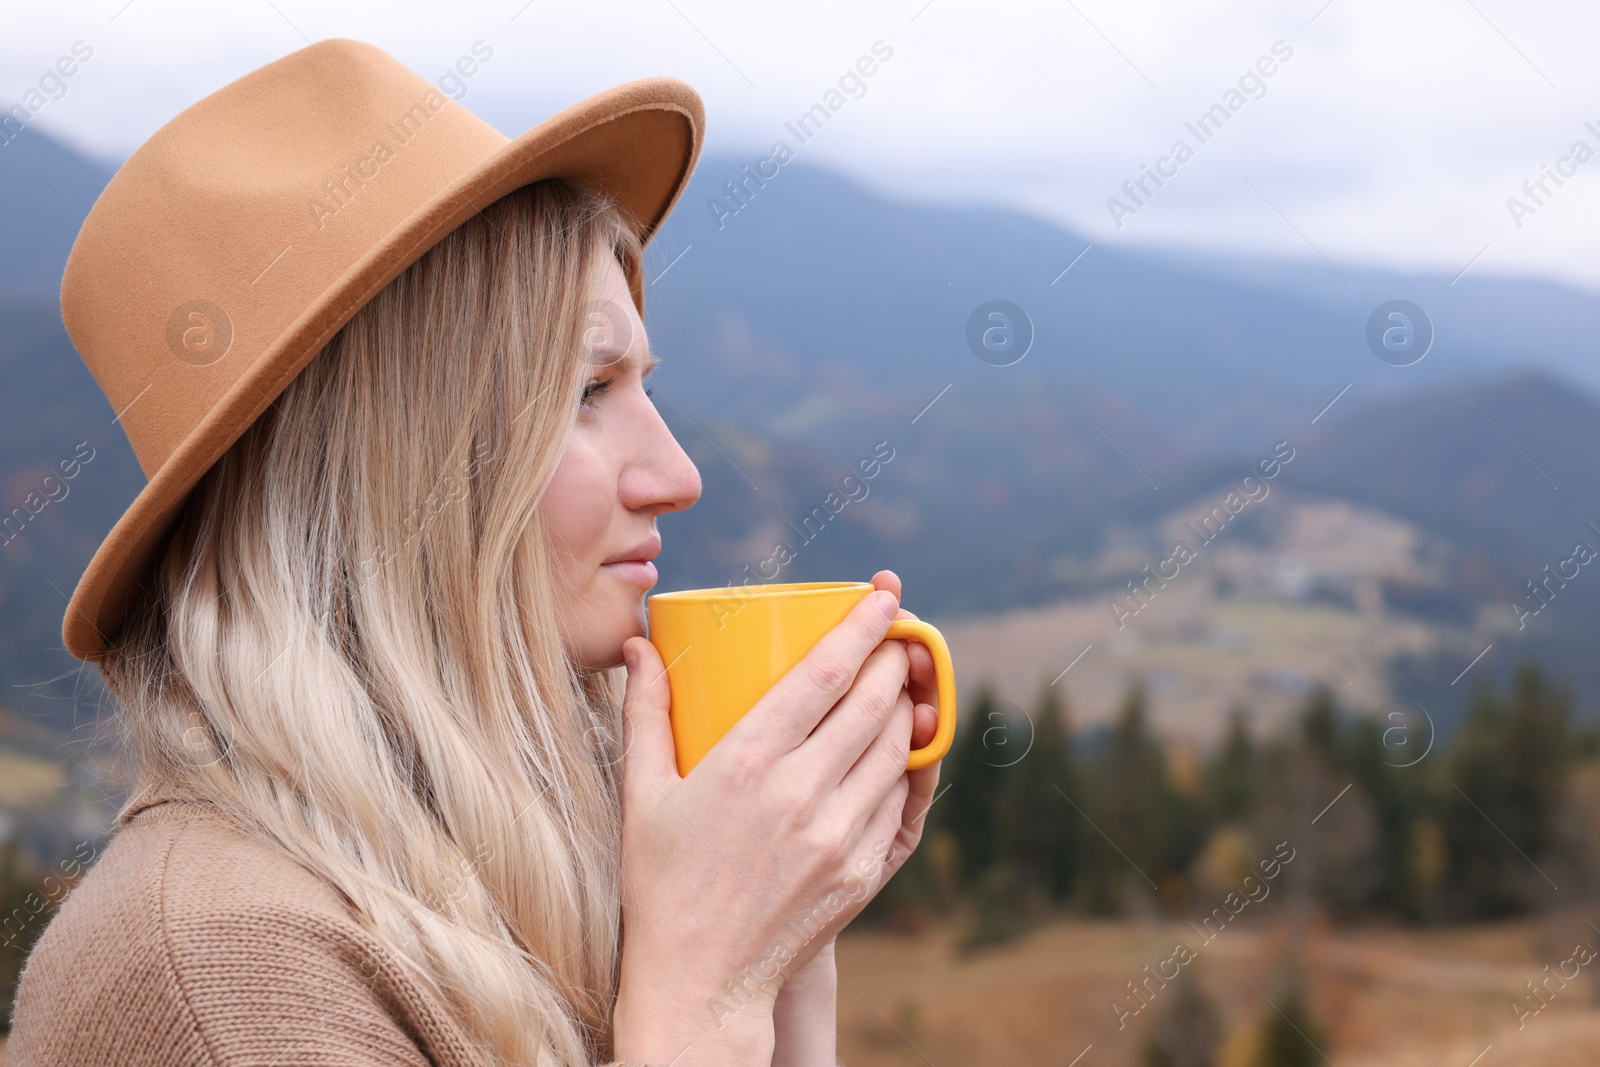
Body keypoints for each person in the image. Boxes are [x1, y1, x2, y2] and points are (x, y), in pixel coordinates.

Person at [7, 39, 943, 1067]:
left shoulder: (510, 879)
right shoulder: (221, 974)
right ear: (385, 475)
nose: (678, 472)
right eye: (586, 391)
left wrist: (782, 949)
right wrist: (704, 994)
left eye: (643, 383)